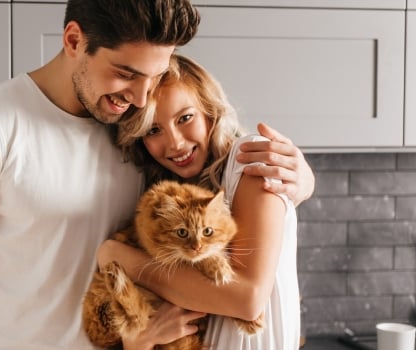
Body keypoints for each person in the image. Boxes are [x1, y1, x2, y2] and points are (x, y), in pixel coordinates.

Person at [0, 1, 314, 349]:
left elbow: (208, 208)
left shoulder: (139, 134)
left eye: (153, 77)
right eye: (126, 73)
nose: (140, 97)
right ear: (73, 40)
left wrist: (299, 184)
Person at [98, 53, 301, 350]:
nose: (176, 143)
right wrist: (137, 341)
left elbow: (247, 299)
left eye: (185, 118)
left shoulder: (251, 157)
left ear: (210, 110)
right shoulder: (175, 195)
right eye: (154, 130)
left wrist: (116, 255)